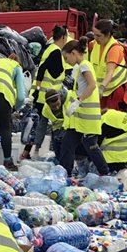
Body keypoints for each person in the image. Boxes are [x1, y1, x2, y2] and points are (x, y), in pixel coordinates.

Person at [59, 37, 109, 177]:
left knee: (91, 146)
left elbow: (92, 85)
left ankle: (105, 174)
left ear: (73, 53)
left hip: (87, 118)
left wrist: (78, 101)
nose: (66, 61)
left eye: (66, 57)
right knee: (67, 144)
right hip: (80, 119)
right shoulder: (83, 66)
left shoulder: (84, 66)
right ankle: (64, 174)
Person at [21, 25, 70, 160]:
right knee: (44, 125)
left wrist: (35, 91)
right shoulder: (55, 52)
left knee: (38, 125)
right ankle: (34, 152)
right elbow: (44, 70)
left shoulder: (49, 49)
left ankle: (28, 152)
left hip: (42, 95)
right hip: (49, 96)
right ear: (64, 37)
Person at [89, 20, 127, 110]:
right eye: (94, 34)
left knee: (111, 118)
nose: (95, 38)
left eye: (98, 35)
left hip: (116, 89)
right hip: (104, 90)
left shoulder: (114, 49)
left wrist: (101, 88)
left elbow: (110, 72)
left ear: (108, 35)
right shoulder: (94, 45)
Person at [41, 88, 67, 162]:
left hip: (68, 128)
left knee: (67, 149)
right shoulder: (46, 109)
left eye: (58, 104)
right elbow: (41, 127)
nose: (56, 107)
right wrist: (37, 146)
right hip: (56, 131)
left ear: (59, 98)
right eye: (53, 106)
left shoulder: (67, 101)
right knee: (57, 146)